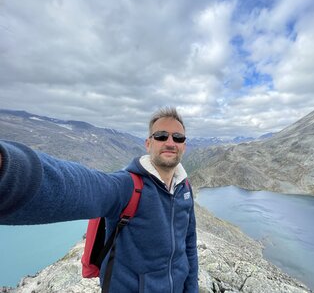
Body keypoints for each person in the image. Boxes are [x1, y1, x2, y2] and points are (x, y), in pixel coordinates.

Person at [0, 107, 198, 293]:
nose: (170, 142)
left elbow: (188, 245)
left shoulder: (184, 188)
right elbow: (84, 186)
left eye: (178, 137)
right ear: (148, 143)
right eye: (161, 136)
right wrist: (10, 172)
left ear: (184, 146)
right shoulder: (127, 186)